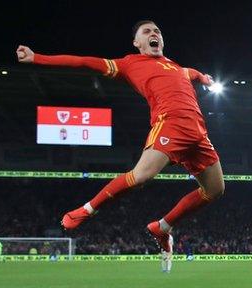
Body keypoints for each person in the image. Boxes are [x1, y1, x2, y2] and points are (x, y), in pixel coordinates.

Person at [17, 20, 224, 269]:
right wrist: (37, 58)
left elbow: (190, 73)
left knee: (215, 190)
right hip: (170, 125)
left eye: (157, 31)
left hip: (199, 134)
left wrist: (203, 77)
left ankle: (162, 227)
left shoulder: (176, 67)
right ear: (137, 43)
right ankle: (87, 209)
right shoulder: (129, 64)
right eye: (147, 32)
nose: (153, 33)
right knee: (142, 176)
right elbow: (84, 62)